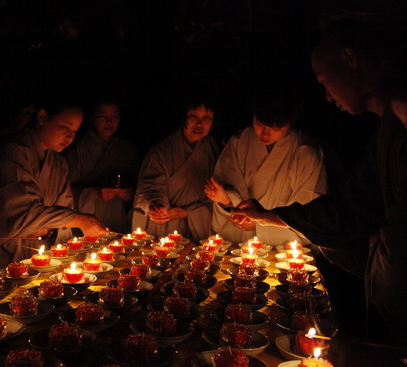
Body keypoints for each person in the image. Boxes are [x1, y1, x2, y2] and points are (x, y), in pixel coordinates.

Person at [231, 20, 407, 345]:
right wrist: (269, 214)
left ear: (350, 59)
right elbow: (348, 206)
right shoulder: (389, 129)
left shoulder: (398, 125)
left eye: (325, 80)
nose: (326, 96)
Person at [0, 98, 107, 272]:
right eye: (65, 127)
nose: (70, 137)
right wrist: (78, 219)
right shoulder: (12, 152)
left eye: (75, 131)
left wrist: (48, 227)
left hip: (38, 254)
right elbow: (21, 211)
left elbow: (63, 209)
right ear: (42, 117)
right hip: (4, 253)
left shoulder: (59, 163)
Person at [205, 88, 326, 245]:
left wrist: (259, 221)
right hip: (238, 239)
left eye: (276, 128)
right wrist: (226, 201)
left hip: (281, 245)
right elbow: (226, 192)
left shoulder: (307, 153)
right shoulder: (239, 142)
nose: (265, 133)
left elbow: (307, 212)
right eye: (260, 123)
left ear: (291, 123)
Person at [132, 98, 219, 242]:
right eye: (193, 116)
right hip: (163, 223)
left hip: (197, 225)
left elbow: (218, 197)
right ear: (183, 117)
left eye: (206, 118)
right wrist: (158, 207)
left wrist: (186, 212)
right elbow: (150, 186)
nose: (199, 124)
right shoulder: (162, 150)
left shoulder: (214, 150)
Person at [65, 100, 140, 234]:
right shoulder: (78, 149)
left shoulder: (127, 150)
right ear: (93, 118)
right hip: (87, 214)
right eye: (103, 116)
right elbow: (65, 192)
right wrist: (95, 193)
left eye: (114, 116)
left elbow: (140, 188)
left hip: (117, 213)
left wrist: (130, 195)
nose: (109, 122)